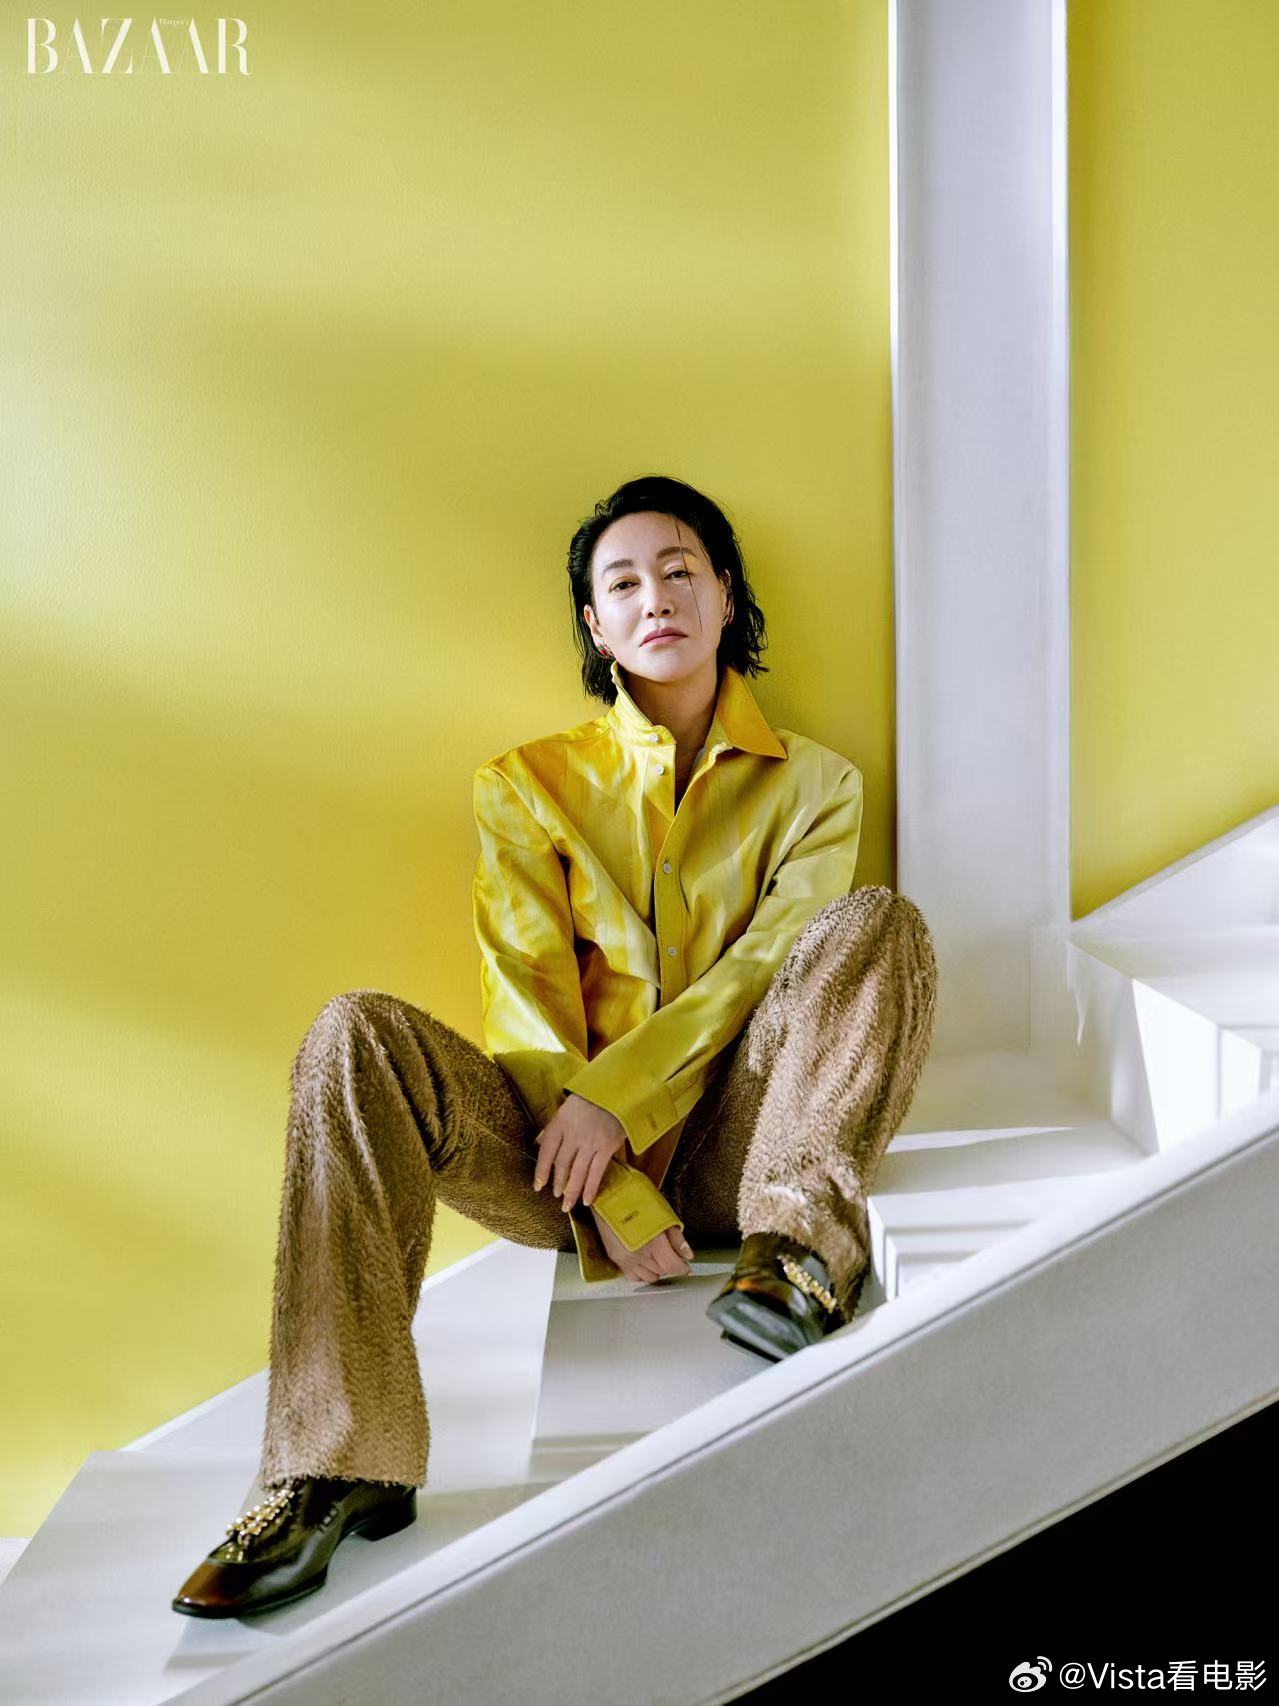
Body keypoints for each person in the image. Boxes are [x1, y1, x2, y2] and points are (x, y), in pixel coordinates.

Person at [171, 474, 938, 1619]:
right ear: (595, 624)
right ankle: (334, 1461)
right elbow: (525, 1003)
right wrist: (608, 1185)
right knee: (353, 1032)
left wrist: (619, 1099)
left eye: (679, 569)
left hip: (745, 1138)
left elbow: (762, 967)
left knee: (877, 923)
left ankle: (798, 1255)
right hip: (556, 1159)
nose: (654, 597)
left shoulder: (818, 783)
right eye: (621, 583)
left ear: (726, 593)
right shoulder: (525, 785)